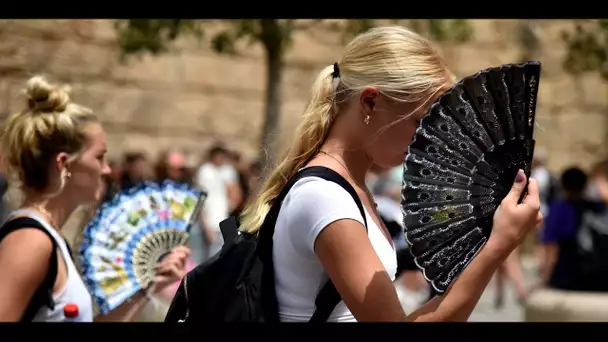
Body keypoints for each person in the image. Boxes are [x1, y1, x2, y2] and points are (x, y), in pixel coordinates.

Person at [238, 26, 542, 322]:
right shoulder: (325, 198)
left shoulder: (348, 189)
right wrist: (497, 247)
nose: (430, 140)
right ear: (370, 102)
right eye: (421, 122)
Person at [0, 75, 190, 322]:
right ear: (64, 164)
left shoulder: (48, 237)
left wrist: (148, 286)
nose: (107, 169)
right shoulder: (30, 241)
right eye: (99, 157)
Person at [195, 144, 239, 260]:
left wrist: (230, 205)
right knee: (205, 259)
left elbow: (235, 193)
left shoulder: (227, 171)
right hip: (208, 222)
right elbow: (200, 200)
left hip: (221, 221)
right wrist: (205, 225)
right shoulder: (205, 171)